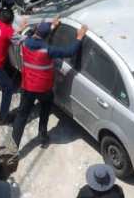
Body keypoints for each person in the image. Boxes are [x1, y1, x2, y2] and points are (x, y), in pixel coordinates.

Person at [11, 19, 86, 148]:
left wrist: (50, 26)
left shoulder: (25, 42)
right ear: (46, 36)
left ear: (35, 31)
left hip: (28, 87)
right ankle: (42, 135)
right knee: (45, 110)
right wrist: (79, 37)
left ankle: (13, 146)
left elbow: (15, 38)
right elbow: (70, 51)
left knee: (22, 116)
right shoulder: (48, 50)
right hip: (44, 89)